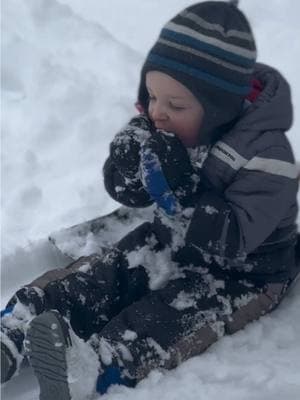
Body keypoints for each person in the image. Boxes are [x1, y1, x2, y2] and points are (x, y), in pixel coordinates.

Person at [1, 1, 299, 399]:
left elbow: (235, 238)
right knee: (106, 274)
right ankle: (17, 329)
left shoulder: (267, 156)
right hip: (170, 240)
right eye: (152, 96)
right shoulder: (166, 122)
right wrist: (125, 167)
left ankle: (94, 367)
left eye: (174, 105)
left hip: (242, 274)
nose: (157, 113)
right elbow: (134, 192)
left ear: (218, 112)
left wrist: (182, 187)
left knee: (171, 316)